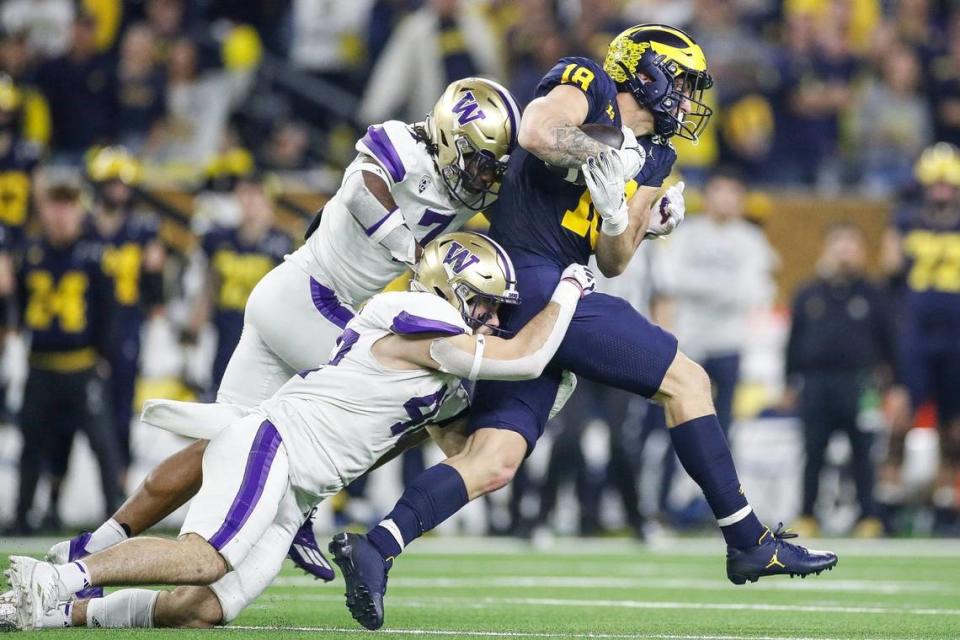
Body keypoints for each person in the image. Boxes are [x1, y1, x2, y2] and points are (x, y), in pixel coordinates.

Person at [333, 24, 838, 631]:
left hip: (561, 286)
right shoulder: (589, 81)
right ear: (644, 72)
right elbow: (537, 132)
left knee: (494, 459)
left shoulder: (659, 154)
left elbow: (614, 258)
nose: (687, 98)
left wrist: (629, 215)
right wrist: (603, 153)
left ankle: (378, 546)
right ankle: (749, 539)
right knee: (689, 382)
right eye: (680, 82)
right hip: (521, 270)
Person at [43, 77, 521, 585]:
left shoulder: (462, 188)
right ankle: (297, 513)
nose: (482, 176)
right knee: (389, 399)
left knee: (219, 444)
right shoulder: (404, 143)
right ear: (450, 137)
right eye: (479, 160)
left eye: (492, 166)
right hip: (311, 298)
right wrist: (410, 248)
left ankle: (94, 543)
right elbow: (360, 190)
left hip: (297, 297)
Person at [2, 232, 595, 631]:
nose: (491, 320)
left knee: (202, 608)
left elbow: (466, 453)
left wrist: (542, 408)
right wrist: (570, 290)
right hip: (275, 443)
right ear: (451, 289)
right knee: (204, 558)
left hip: (300, 489)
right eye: (486, 305)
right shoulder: (420, 319)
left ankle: (53, 613)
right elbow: (520, 356)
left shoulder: (443, 375)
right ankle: (54, 577)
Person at [7, 179, 123, 534]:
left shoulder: (95, 254)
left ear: (79, 209)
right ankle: (23, 514)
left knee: (103, 444)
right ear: (44, 210)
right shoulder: (29, 253)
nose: (61, 214)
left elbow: (108, 310)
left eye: (68, 205)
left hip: (81, 365)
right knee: (32, 443)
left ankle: (119, 520)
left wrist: (105, 356)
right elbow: (19, 305)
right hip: (40, 365)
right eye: (55, 205)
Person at [786, 222, 897, 538]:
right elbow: (794, 341)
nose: (844, 250)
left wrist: (897, 386)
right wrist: (789, 381)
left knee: (863, 453)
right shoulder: (808, 293)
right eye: (839, 243)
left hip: (861, 385)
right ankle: (807, 514)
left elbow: (891, 344)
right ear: (827, 249)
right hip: (817, 383)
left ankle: (869, 517)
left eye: (851, 244)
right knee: (813, 452)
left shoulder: (874, 295)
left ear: (862, 252)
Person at [657, 167, 777, 435]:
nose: (725, 199)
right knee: (675, 417)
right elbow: (671, 278)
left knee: (723, 423)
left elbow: (754, 292)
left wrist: (699, 287)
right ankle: (666, 475)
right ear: (707, 195)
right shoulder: (685, 233)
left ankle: (720, 475)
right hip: (686, 340)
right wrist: (723, 288)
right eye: (719, 190)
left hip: (729, 342)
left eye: (732, 192)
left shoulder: (751, 239)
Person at [880, 142, 960, 533]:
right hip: (915, 335)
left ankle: (947, 501)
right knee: (901, 418)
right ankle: (889, 500)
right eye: (937, 183)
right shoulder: (906, 221)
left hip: (956, 337)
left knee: (954, 426)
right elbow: (889, 266)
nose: (943, 190)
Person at [86, 146, 166, 476]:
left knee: (121, 404)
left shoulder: (141, 230)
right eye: (111, 183)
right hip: (84, 325)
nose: (118, 190)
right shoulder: (83, 225)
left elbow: (155, 281)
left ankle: (119, 476)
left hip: (126, 323)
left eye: (123, 184)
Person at [185, 173, 292, 392]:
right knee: (217, 392)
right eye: (245, 194)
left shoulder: (282, 243)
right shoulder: (219, 239)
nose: (250, 202)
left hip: (263, 336)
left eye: (257, 195)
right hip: (224, 328)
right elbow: (209, 284)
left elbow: (288, 297)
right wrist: (195, 323)